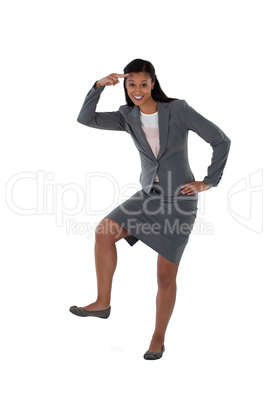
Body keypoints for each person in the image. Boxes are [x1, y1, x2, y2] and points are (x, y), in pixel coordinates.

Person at [69, 59, 231, 360]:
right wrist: (97, 86)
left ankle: (158, 338)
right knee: (104, 232)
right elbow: (85, 119)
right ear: (126, 87)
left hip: (179, 202)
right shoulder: (126, 115)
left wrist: (209, 181)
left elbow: (221, 140)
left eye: (143, 84)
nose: (137, 90)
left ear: (153, 83)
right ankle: (102, 302)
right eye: (132, 85)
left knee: (164, 275)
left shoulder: (177, 110)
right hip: (147, 197)